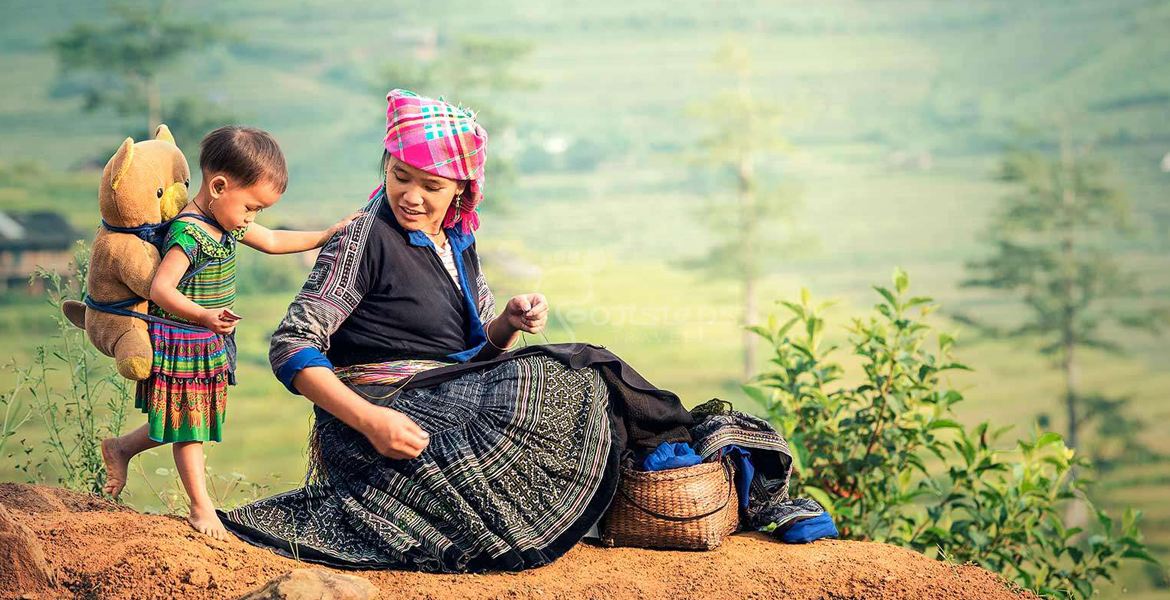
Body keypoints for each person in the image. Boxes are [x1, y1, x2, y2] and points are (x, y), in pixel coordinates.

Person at [220, 90, 694, 571]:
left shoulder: (460, 243)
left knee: (577, 375)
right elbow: (292, 344)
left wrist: (508, 322)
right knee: (557, 375)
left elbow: (473, 354)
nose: (411, 195)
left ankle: (655, 472)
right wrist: (370, 421)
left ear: (460, 192)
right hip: (383, 413)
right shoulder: (363, 236)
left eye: (431, 186)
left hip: (445, 394)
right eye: (399, 177)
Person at [99, 126, 357, 540]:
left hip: (207, 340)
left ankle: (122, 447)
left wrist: (326, 234)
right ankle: (201, 509)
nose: (253, 219)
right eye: (251, 207)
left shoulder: (227, 222)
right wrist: (202, 315)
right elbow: (162, 290)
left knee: (188, 417)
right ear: (219, 186)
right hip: (184, 339)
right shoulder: (190, 233)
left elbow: (272, 240)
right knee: (191, 427)